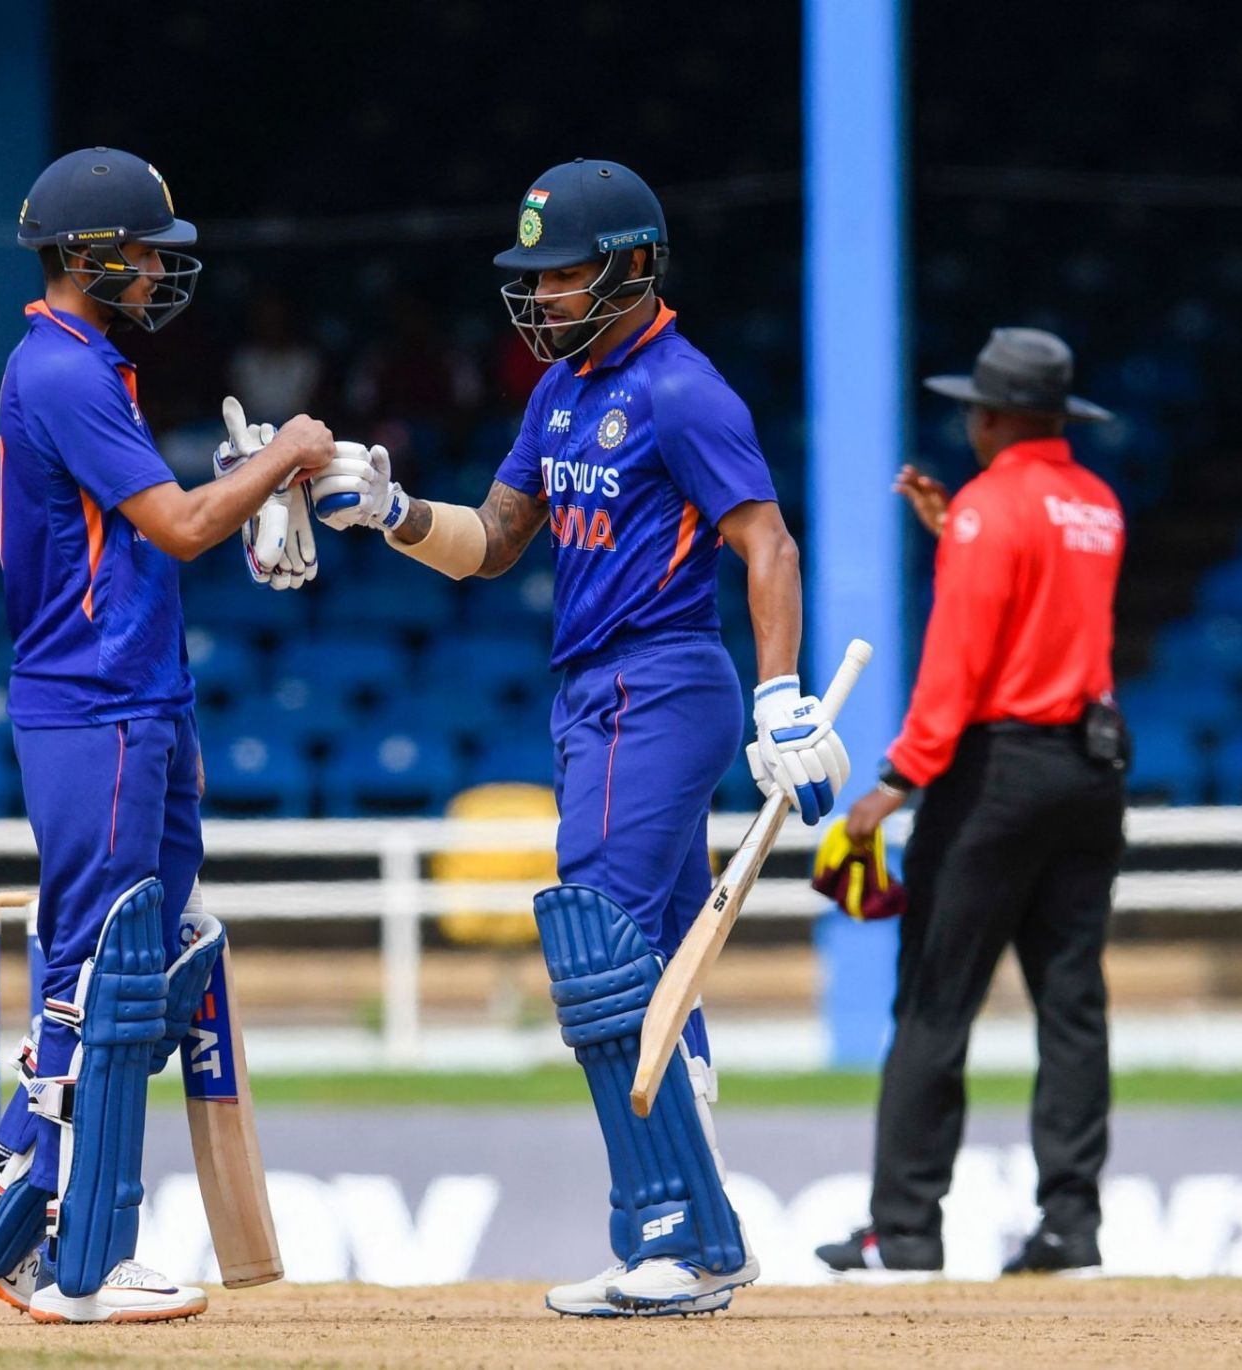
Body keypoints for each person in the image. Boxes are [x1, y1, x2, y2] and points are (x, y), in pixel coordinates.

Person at [309, 158, 850, 1317]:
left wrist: (781, 694)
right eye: (536, 277)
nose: (543, 296)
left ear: (635, 266)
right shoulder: (556, 393)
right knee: (645, 958)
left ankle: (666, 1232)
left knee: (595, 947)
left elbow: (768, 543)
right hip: (589, 698)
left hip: (659, 682)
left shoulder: (682, 388)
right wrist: (392, 512)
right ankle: (697, 1230)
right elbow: (499, 538)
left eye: (564, 274)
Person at [0, 146, 334, 1324]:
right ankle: (73, 1249)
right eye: (145, 249)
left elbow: (152, 524)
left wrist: (239, 478)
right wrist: (287, 457)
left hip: (134, 693)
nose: (159, 266)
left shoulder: (87, 364)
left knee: (127, 966)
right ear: (90, 254)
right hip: (96, 700)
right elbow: (188, 527)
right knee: (100, 974)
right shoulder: (64, 374)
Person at [815, 327, 1128, 1280]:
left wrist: (896, 781)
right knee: (1071, 1002)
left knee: (935, 1003)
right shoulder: (1098, 505)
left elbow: (963, 660)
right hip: (1092, 772)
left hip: (994, 777)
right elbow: (1048, 607)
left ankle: (904, 1232)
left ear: (992, 417)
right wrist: (961, 530)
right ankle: (1071, 1230)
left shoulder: (996, 507)